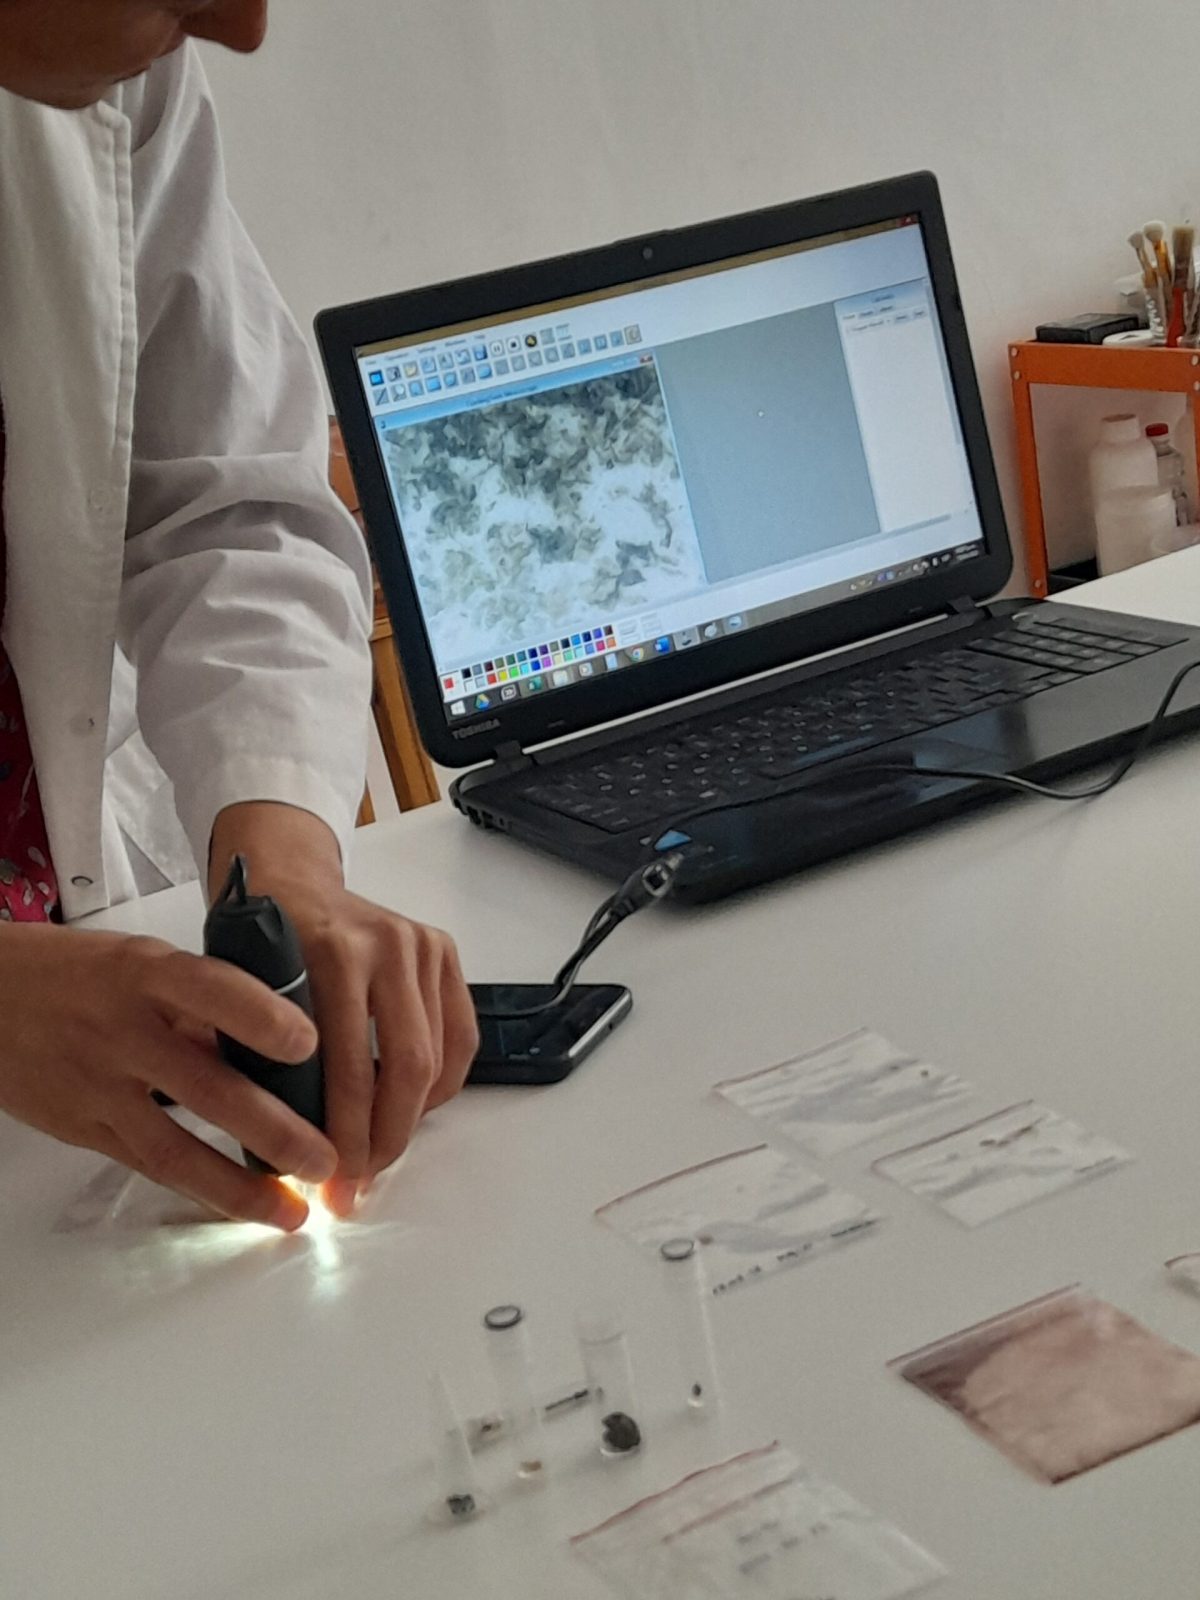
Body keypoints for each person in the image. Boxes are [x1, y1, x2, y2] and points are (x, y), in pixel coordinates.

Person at [0, 1, 478, 1230]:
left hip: (79, 935)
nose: (242, 27)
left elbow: (227, 504)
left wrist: (284, 862)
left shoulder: (115, 83)